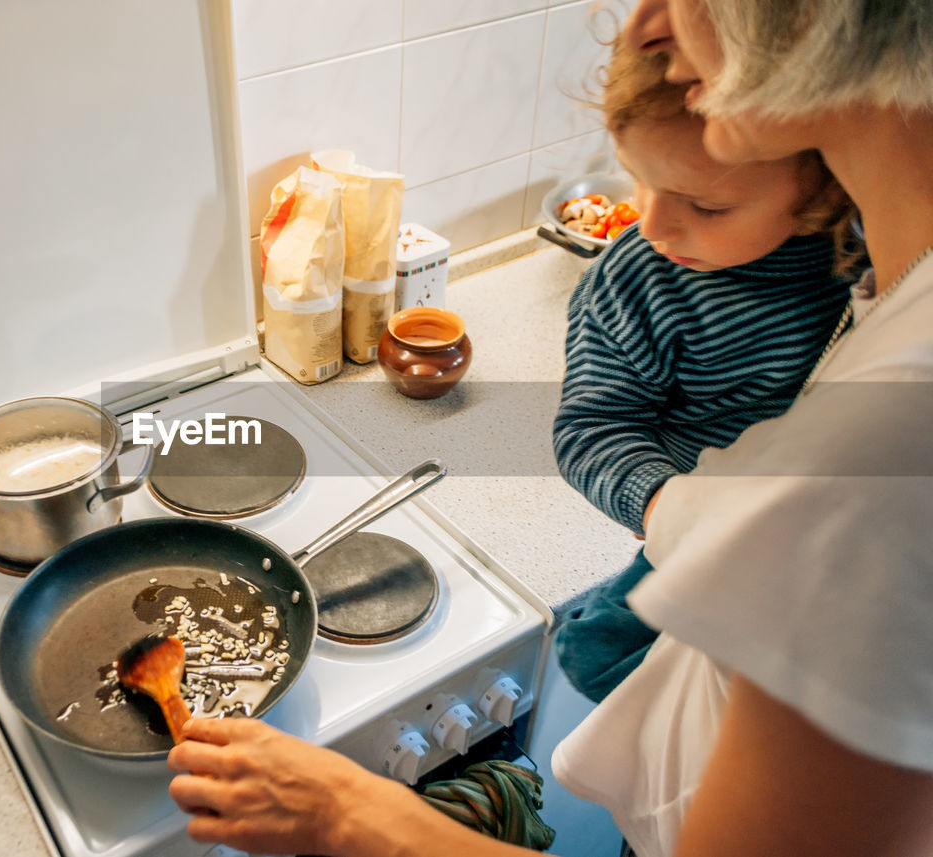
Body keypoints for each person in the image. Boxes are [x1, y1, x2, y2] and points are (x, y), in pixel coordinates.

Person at [166, 2, 933, 855]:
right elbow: (596, 428)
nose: (644, 17)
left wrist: (351, 816)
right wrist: (679, 513)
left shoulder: (880, 451)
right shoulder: (878, 302)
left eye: (704, 204)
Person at [551, 37, 856, 704]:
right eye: (639, 178)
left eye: (706, 205)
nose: (653, 223)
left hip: (827, 549)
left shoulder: (865, 257)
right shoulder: (636, 280)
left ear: (824, 189)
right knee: (590, 654)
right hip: (703, 533)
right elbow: (593, 427)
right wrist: (664, 505)